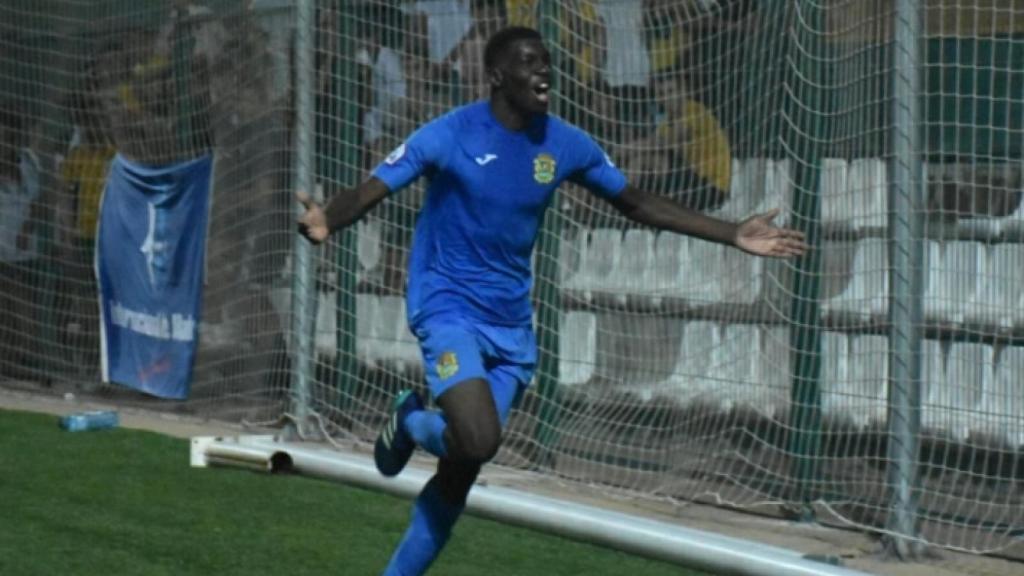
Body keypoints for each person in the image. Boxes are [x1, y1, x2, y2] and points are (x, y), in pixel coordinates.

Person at [295, 26, 808, 575]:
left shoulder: (565, 143)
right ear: (496, 76)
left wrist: (731, 232)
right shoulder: (449, 134)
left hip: (511, 324)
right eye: (527, 62)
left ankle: (407, 456)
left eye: (545, 61)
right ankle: (414, 424)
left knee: (462, 467)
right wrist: (330, 218)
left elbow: (634, 202)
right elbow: (375, 187)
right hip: (447, 308)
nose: (543, 71)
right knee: (479, 438)